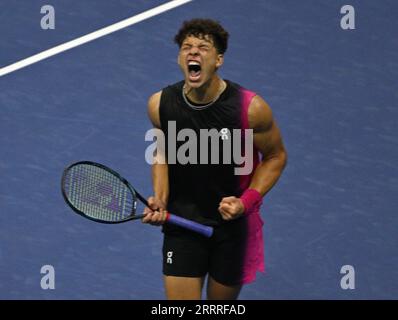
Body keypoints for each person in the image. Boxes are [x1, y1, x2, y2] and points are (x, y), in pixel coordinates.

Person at [143, 18, 287, 300]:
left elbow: (275, 156)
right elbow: (161, 152)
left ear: (219, 59)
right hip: (182, 224)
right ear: (179, 58)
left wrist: (245, 203)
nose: (193, 52)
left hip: (232, 229)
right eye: (187, 47)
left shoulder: (250, 109)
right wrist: (160, 197)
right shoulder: (160, 105)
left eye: (203, 47)